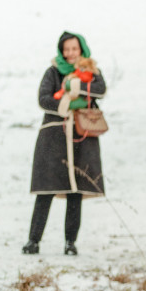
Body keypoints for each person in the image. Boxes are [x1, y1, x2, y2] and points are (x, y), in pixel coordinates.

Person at [24, 31, 106, 256]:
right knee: (46, 190)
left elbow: (100, 89)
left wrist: (76, 90)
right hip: (54, 139)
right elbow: (43, 98)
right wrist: (65, 105)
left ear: (81, 50)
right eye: (66, 49)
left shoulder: (91, 71)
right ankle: (33, 240)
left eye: (74, 49)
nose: (70, 54)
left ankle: (70, 242)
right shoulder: (52, 72)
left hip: (82, 138)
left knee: (75, 192)